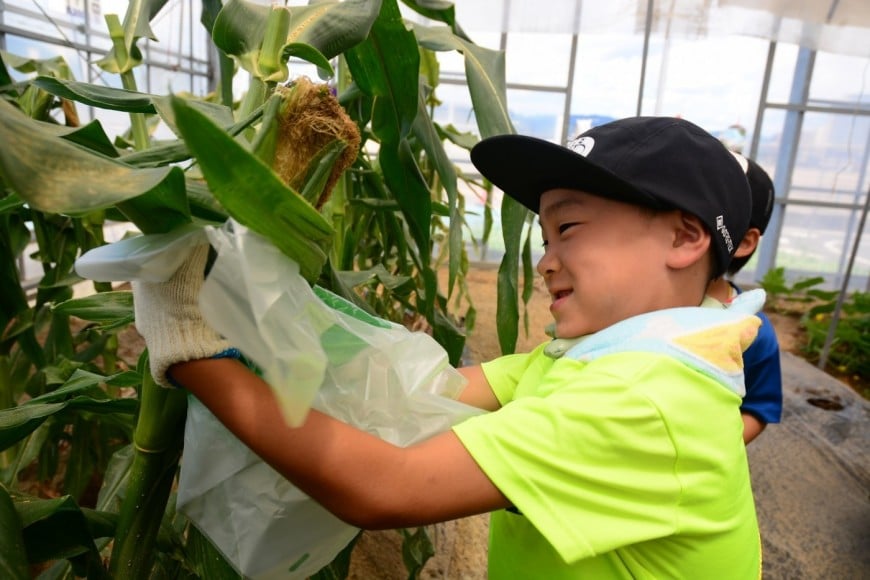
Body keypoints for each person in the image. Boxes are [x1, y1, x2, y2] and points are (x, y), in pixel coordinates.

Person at [133, 116, 764, 578]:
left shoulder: (643, 401)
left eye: (568, 228)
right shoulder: (608, 355)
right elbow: (418, 389)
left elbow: (385, 488)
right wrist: (270, 311)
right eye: (544, 238)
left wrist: (194, 351)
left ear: (685, 239)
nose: (546, 263)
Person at [709, 155, 783, 443]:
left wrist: (708, 449)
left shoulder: (750, 329)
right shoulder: (637, 301)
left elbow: (758, 407)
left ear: (743, 241)